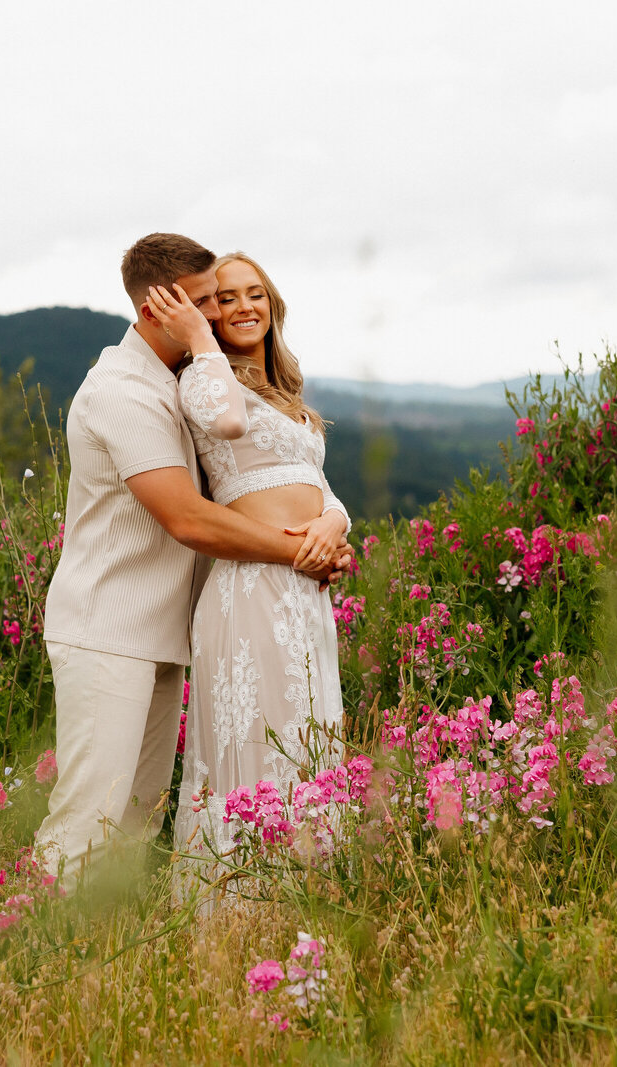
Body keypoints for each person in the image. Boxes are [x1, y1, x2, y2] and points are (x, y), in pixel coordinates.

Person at [34, 234, 352, 891]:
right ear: (161, 304)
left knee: (136, 819)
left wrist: (328, 525)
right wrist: (302, 550)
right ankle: (33, 955)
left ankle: (101, 962)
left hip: (160, 627)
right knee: (88, 815)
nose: (215, 313)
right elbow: (189, 518)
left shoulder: (174, 380)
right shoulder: (122, 391)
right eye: (204, 300)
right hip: (107, 628)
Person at [146, 252, 349, 885]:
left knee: (307, 738)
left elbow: (316, 482)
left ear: (273, 303)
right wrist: (200, 341)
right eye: (224, 298)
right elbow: (229, 422)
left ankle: (308, 896)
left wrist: (333, 526)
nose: (242, 308)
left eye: (254, 294)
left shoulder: (288, 393)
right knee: (260, 744)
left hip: (304, 590)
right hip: (251, 587)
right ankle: (243, 909)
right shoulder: (203, 382)